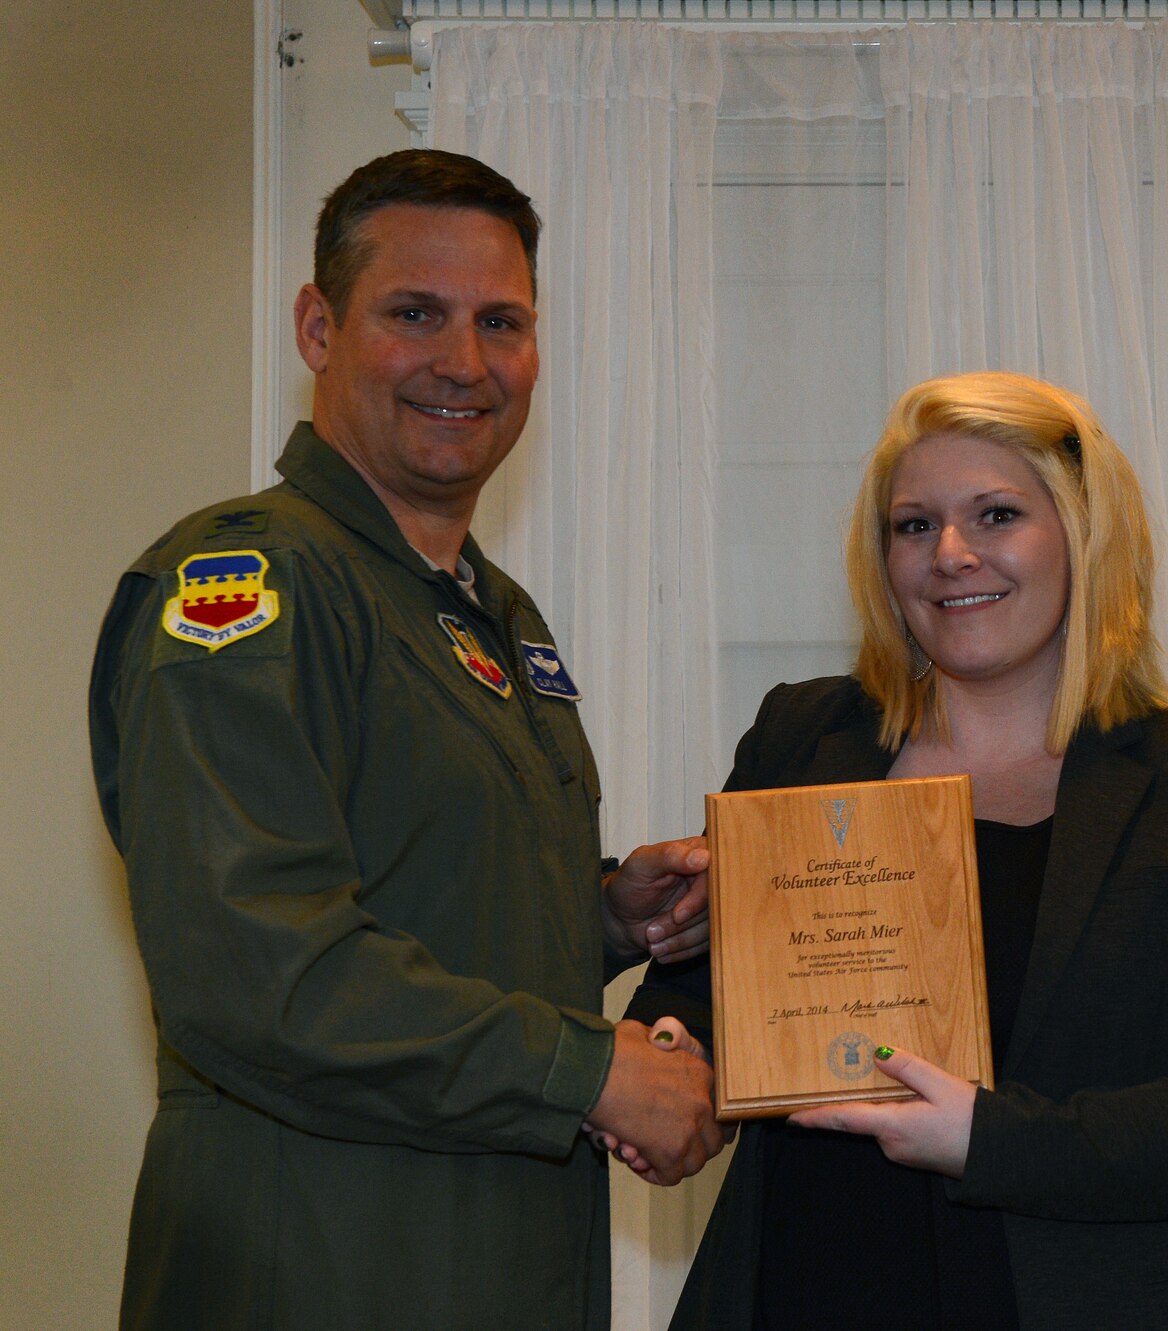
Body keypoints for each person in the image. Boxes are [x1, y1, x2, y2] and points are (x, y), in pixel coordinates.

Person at [88, 149, 724, 1331]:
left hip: (498, 1258)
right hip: (319, 1263)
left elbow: (416, 893)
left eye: (502, 321)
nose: (464, 363)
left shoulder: (491, 610)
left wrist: (603, 915)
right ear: (317, 327)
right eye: (414, 314)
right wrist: (587, 1068)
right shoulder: (248, 583)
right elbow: (257, 967)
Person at [617, 371, 1168, 1329]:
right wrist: (670, 1051)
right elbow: (710, 990)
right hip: (810, 1279)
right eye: (914, 526)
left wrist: (990, 1139)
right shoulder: (803, 737)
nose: (951, 554)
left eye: (996, 514)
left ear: (1083, 535)